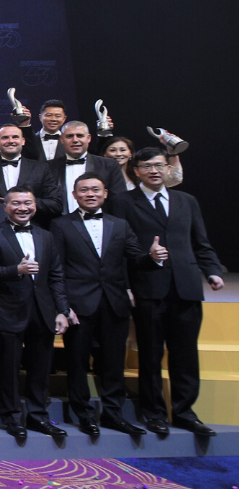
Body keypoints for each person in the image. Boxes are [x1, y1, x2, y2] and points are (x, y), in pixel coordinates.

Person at [124, 147, 224, 436]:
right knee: (151, 355)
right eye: (147, 166)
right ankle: (153, 413)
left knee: (185, 355)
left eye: (159, 165)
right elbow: (119, 248)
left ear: (168, 168)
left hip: (186, 288)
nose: (154, 171)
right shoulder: (124, 202)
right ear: (136, 170)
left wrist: (213, 271)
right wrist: (127, 285)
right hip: (148, 288)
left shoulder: (186, 201)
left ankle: (184, 413)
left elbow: (201, 243)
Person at [50, 174, 156, 437]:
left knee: (113, 362)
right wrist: (63, 306)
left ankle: (113, 414)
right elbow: (57, 269)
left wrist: (152, 257)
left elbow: (135, 258)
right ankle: (83, 415)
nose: (90, 194)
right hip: (79, 304)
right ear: (74, 195)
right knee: (77, 363)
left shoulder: (119, 224)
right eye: (83, 190)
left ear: (105, 193)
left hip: (114, 302)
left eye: (95, 190)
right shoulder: (60, 225)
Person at [0, 187, 70, 439]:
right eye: (16, 203)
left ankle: (38, 417)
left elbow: (56, 275)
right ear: (6, 207)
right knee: (8, 369)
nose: (23, 208)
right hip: (6, 310)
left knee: (41, 369)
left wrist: (61, 310)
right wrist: (16, 270)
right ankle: (11, 418)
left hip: (42, 310)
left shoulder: (45, 235)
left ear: (35, 205)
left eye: (28, 203)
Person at [0, 125, 64, 223]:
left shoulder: (41, 168)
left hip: (34, 229)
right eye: (5, 138)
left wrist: (26, 203)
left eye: (15, 137)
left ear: (23, 141)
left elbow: (56, 204)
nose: (11, 141)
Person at [47, 121, 125, 215]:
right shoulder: (48, 167)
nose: (75, 140)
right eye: (69, 136)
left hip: (102, 225)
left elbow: (118, 201)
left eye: (80, 136)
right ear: (62, 139)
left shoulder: (109, 165)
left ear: (88, 138)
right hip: (58, 225)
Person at [103, 137, 184, 190]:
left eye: (123, 150)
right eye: (113, 150)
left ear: (130, 153)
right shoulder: (100, 174)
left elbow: (175, 179)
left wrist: (173, 152)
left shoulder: (140, 173)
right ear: (105, 154)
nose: (118, 154)